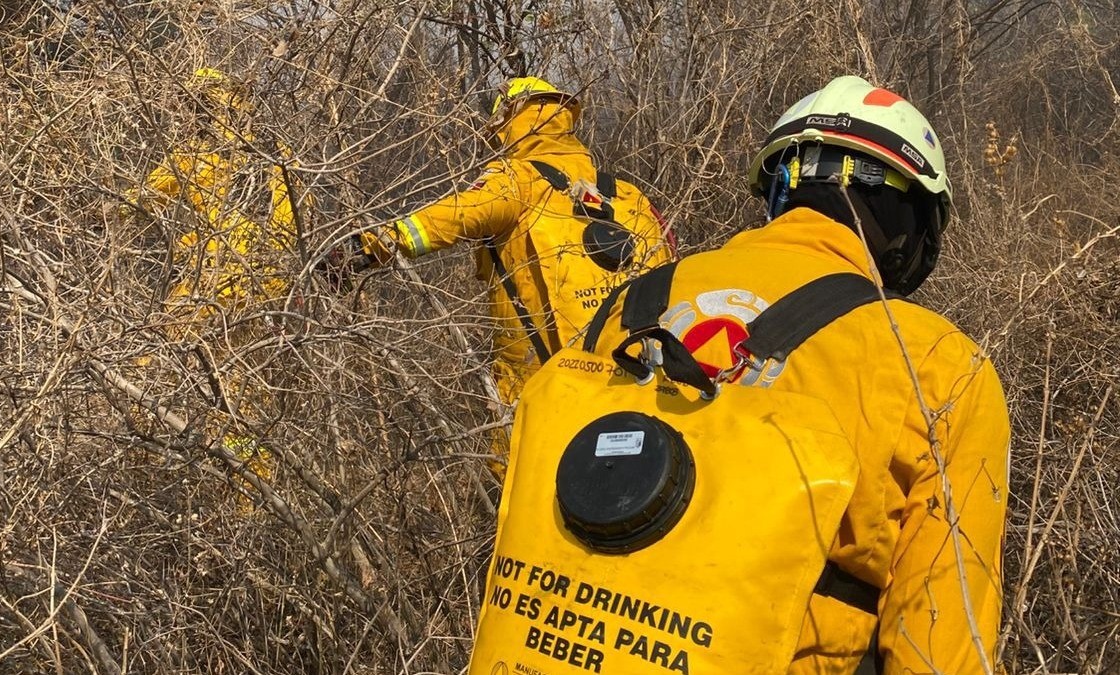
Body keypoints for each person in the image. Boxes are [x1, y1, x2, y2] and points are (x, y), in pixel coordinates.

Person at [469, 76, 1009, 674]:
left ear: (778, 188)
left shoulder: (632, 303)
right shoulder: (940, 364)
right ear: (911, 221)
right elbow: (939, 641)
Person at [348, 77, 676, 459]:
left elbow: (448, 218)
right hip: (638, 375)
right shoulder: (626, 194)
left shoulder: (517, 180)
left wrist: (366, 247)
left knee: (525, 481)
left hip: (544, 383)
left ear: (509, 120)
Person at [127, 67, 308, 497]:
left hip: (213, 282)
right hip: (268, 286)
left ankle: (142, 463)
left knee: (149, 360)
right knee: (242, 390)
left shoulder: (194, 155)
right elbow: (300, 219)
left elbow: (139, 201)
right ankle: (250, 492)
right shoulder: (279, 153)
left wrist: (103, 209)